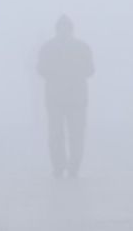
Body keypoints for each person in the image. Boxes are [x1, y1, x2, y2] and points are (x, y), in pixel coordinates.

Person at [36, 14, 94, 177]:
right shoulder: (82, 48)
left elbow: (41, 69)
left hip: (60, 98)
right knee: (72, 135)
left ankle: (63, 166)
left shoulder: (48, 48)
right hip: (72, 99)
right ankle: (68, 167)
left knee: (60, 135)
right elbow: (90, 70)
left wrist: (57, 74)